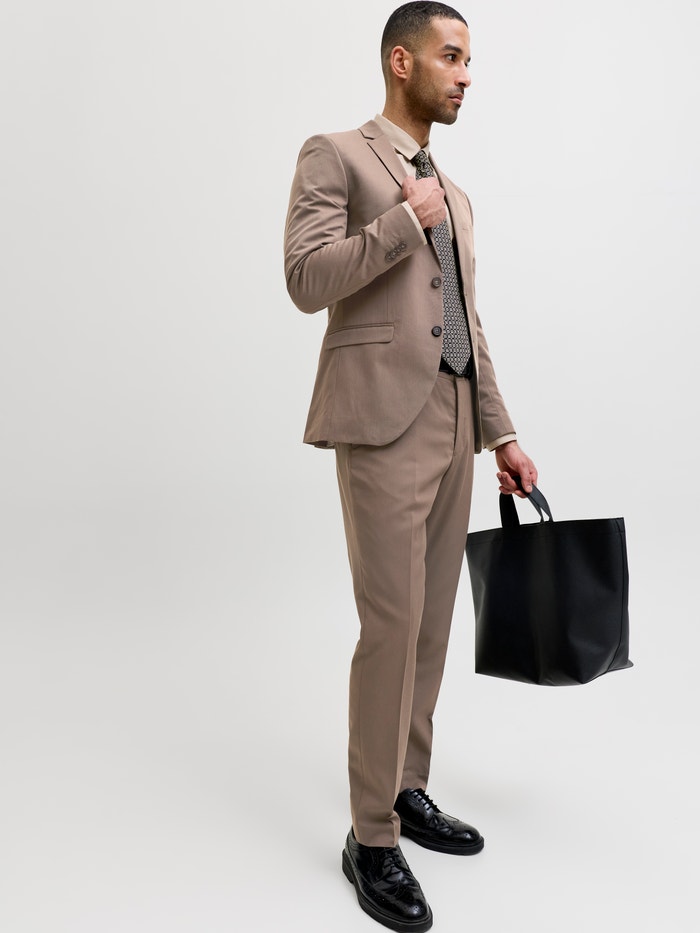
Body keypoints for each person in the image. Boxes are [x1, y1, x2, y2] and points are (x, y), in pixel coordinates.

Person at [284, 3, 537, 930]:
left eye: (470, 60)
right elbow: (305, 279)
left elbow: (468, 322)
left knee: (431, 624)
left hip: (454, 417)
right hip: (381, 421)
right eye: (452, 56)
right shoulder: (336, 155)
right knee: (390, 625)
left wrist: (501, 433)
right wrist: (399, 222)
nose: (467, 75)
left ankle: (406, 786)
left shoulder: (456, 194)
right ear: (402, 61)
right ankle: (371, 836)